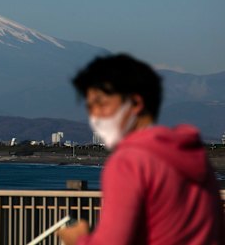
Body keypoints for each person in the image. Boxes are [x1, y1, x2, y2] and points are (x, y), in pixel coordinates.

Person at [58, 53, 224, 245]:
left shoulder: (129, 162)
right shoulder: (194, 155)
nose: (95, 116)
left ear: (136, 103)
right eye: (90, 107)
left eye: (102, 104)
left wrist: (79, 240)